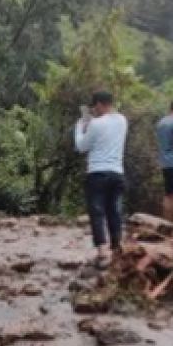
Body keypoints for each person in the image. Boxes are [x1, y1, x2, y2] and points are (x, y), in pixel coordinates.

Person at [75, 91, 129, 268]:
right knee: (115, 211)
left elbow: (81, 147)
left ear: (98, 104)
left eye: (94, 106)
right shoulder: (122, 120)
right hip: (117, 173)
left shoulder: (95, 124)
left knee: (97, 213)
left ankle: (102, 253)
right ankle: (116, 248)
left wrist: (80, 125)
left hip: (97, 173)